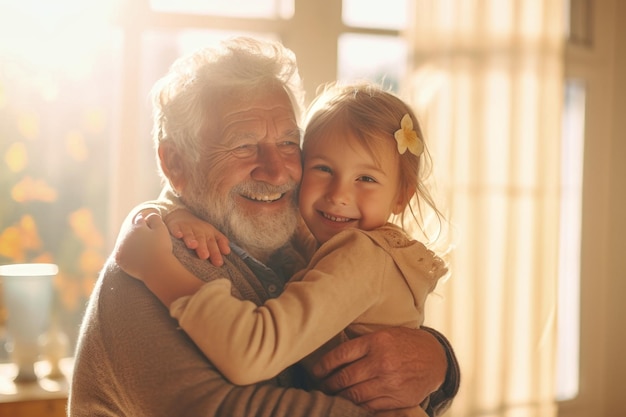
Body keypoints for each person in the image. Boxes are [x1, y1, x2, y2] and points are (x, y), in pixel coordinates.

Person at [68, 37, 459, 417]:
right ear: (175, 164)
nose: (276, 172)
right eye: (243, 146)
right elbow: (223, 411)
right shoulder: (148, 267)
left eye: (289, 143)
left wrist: (438, 361)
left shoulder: (304, 238)